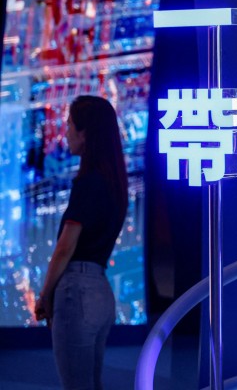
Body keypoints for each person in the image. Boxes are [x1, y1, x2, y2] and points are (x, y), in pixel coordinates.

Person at [34, 95, 128, 390]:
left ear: (85, 134)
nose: (65, 133)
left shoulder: (88, 184)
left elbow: (65, 248)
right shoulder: (114, 183)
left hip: (77, 293)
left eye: (69, 125)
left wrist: (45, 295)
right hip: (101, 292)